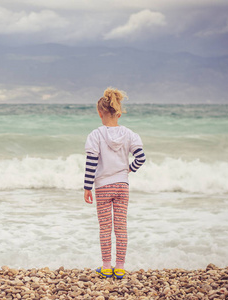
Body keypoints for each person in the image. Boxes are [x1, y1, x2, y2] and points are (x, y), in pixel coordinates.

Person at [83, 87, 145, 279]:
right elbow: (141, 157)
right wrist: (129, 169)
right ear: (118, 113)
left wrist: (87, 187)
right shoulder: (129, 134)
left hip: (103, 187)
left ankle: (106, 266)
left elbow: (91, 163)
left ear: (100, 113)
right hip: (122, 186)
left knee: (105, 228)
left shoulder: (96, 135)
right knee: (121, 227)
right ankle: (120, 267)